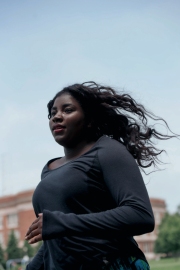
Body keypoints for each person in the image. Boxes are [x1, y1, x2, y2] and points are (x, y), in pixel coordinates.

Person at [25, 82, 175, 270]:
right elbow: (58, 240)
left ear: (89, 119)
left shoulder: (107, 151)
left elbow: (140, 214)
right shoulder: (49, 169)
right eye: (53, 113)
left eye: (68, 110)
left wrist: (63, 222)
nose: (57, 117)